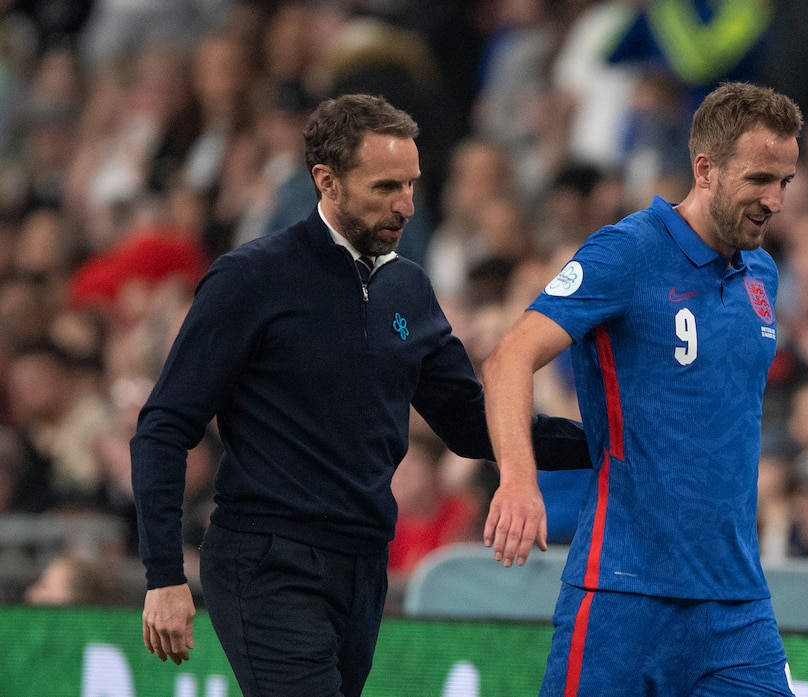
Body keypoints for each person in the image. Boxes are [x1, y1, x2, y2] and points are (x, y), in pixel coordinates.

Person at [130, 94, 588, 697]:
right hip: (268, 559)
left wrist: (604, 440)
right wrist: (164, 574)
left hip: (364, 564)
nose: (406, 205)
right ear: (327, 182)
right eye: (385, 187)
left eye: (412, 184)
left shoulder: (408, 288)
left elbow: (473, 426)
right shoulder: (252, 278)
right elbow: (164, 425)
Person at [482, 82, 803, 696]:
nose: (776, 200)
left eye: (785, 181)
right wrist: (519, 481)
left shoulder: (761, 272)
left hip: (737, 603)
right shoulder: (627, 253)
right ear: (705, 169)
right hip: (624, 592)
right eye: (760, 179)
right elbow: (509, 358)